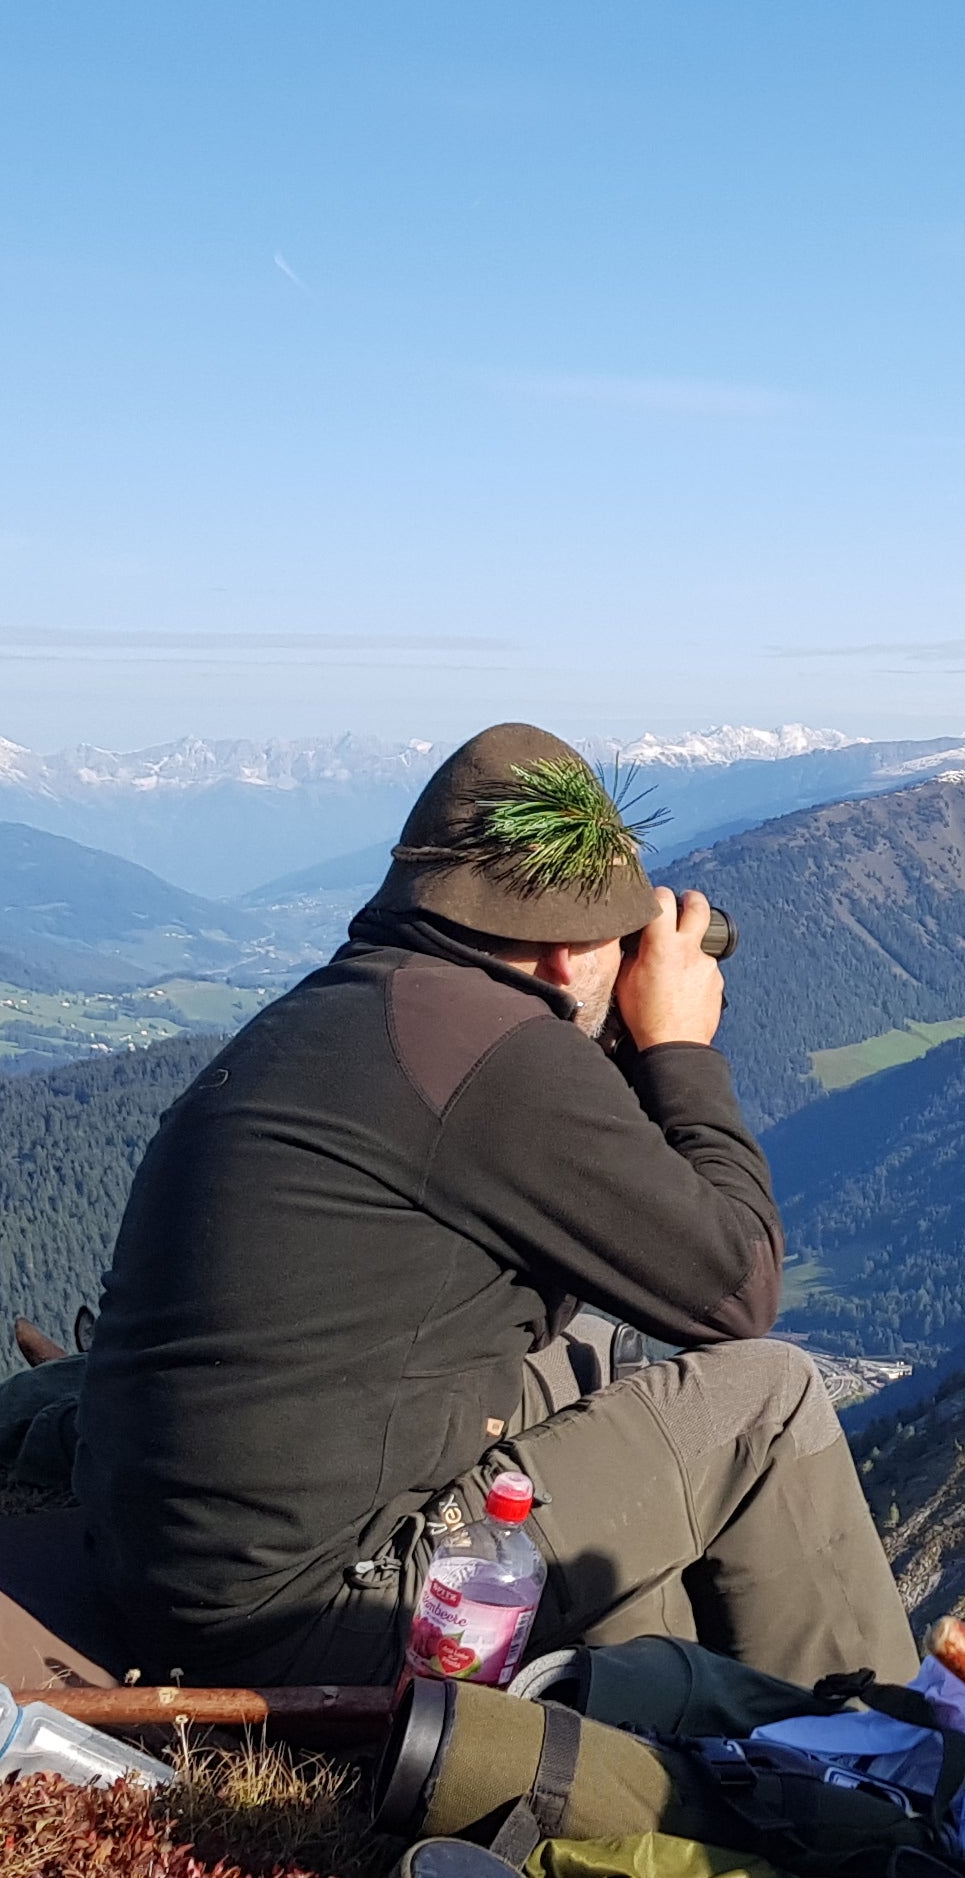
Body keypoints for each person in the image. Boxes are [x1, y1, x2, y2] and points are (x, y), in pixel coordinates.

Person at [74, 724, 919, 1696]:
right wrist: (680, 1049)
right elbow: (735, 1289)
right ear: (563, 956)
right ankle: (877, 1749)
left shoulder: (359, 1008)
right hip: (317, 1617)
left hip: (176, 1570)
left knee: (602, 1358)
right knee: (766, 1400)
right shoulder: (501, 1057)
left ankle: (664, 1705)